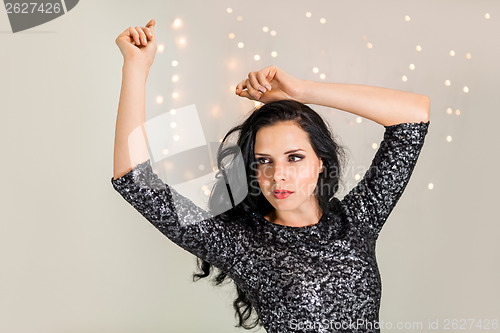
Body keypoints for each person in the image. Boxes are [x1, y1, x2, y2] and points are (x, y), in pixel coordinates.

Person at [112, 19, 430, 333]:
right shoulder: (243, 245)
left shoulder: (357, 220)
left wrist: (302, 92)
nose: (278, 176)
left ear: (321, 161)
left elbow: (413, 115)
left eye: (294, 158)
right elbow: (135, 181)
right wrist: (136, 67)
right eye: (264, 161)